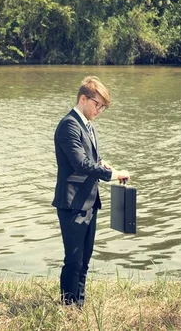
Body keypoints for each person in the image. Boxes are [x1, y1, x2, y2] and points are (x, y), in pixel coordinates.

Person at [52, 76, 130, 307]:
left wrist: (107, 165)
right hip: (72, 204)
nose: (100, 110)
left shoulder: (89, 126)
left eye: (103, 107)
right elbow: (80, 164)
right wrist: (112, 175)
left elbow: (92, 159)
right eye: (97, 105)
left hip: (89, 201)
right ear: (83, 98)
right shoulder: (68, 125)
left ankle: (79, 306)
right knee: (73, 260)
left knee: (85, 260)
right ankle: (68, 307)